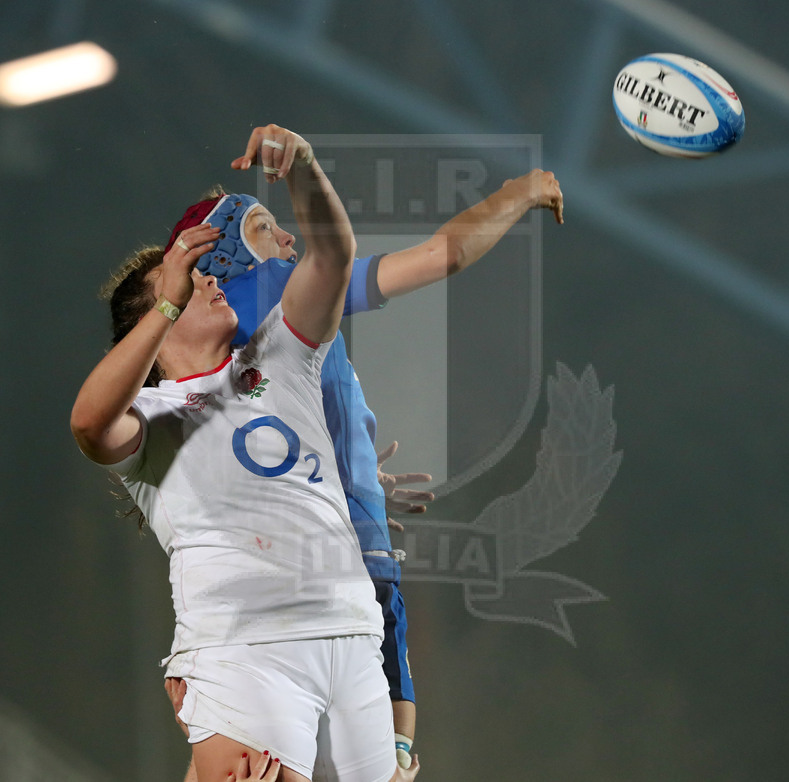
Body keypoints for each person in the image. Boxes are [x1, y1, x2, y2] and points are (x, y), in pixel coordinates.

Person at [164, 149, 564, 774]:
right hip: (327, 566)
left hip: (271, 571)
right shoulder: (270, 288)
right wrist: (519, 192)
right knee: (376, 666)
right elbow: (442, 255)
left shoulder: (212, 347)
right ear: (222, 253)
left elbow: (238, 427)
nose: (288, 238)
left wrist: (333, 473)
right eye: (265, 227)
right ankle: (399, 755)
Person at [71, 124, 417, 782]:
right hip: (248, 651)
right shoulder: (151, 417)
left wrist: (305, 169)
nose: (206, 282)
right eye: (183, 282)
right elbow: (89, 424)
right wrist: (168, 299)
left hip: (350, 638)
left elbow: (332, 258)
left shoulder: (277, 359)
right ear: (156, 316)